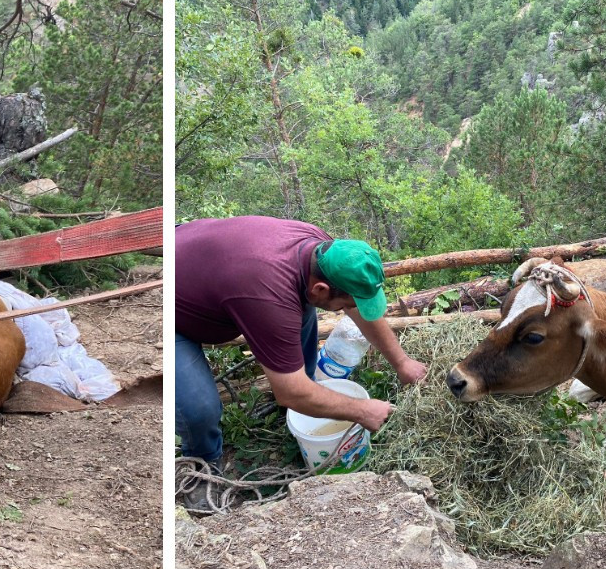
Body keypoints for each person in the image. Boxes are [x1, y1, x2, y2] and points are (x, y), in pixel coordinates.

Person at [176, 216, 428, 506]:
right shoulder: (269, 296)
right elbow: (289, 392)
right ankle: (203, 466)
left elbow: (359, 311)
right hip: (176, 310)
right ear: (320, 289)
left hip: (204, 261)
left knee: (301, 311)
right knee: (199, 408)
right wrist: (361, 410)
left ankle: (306, 402)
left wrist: (402, 362)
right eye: (344, 304)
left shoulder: (325, 252)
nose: (349, 309)